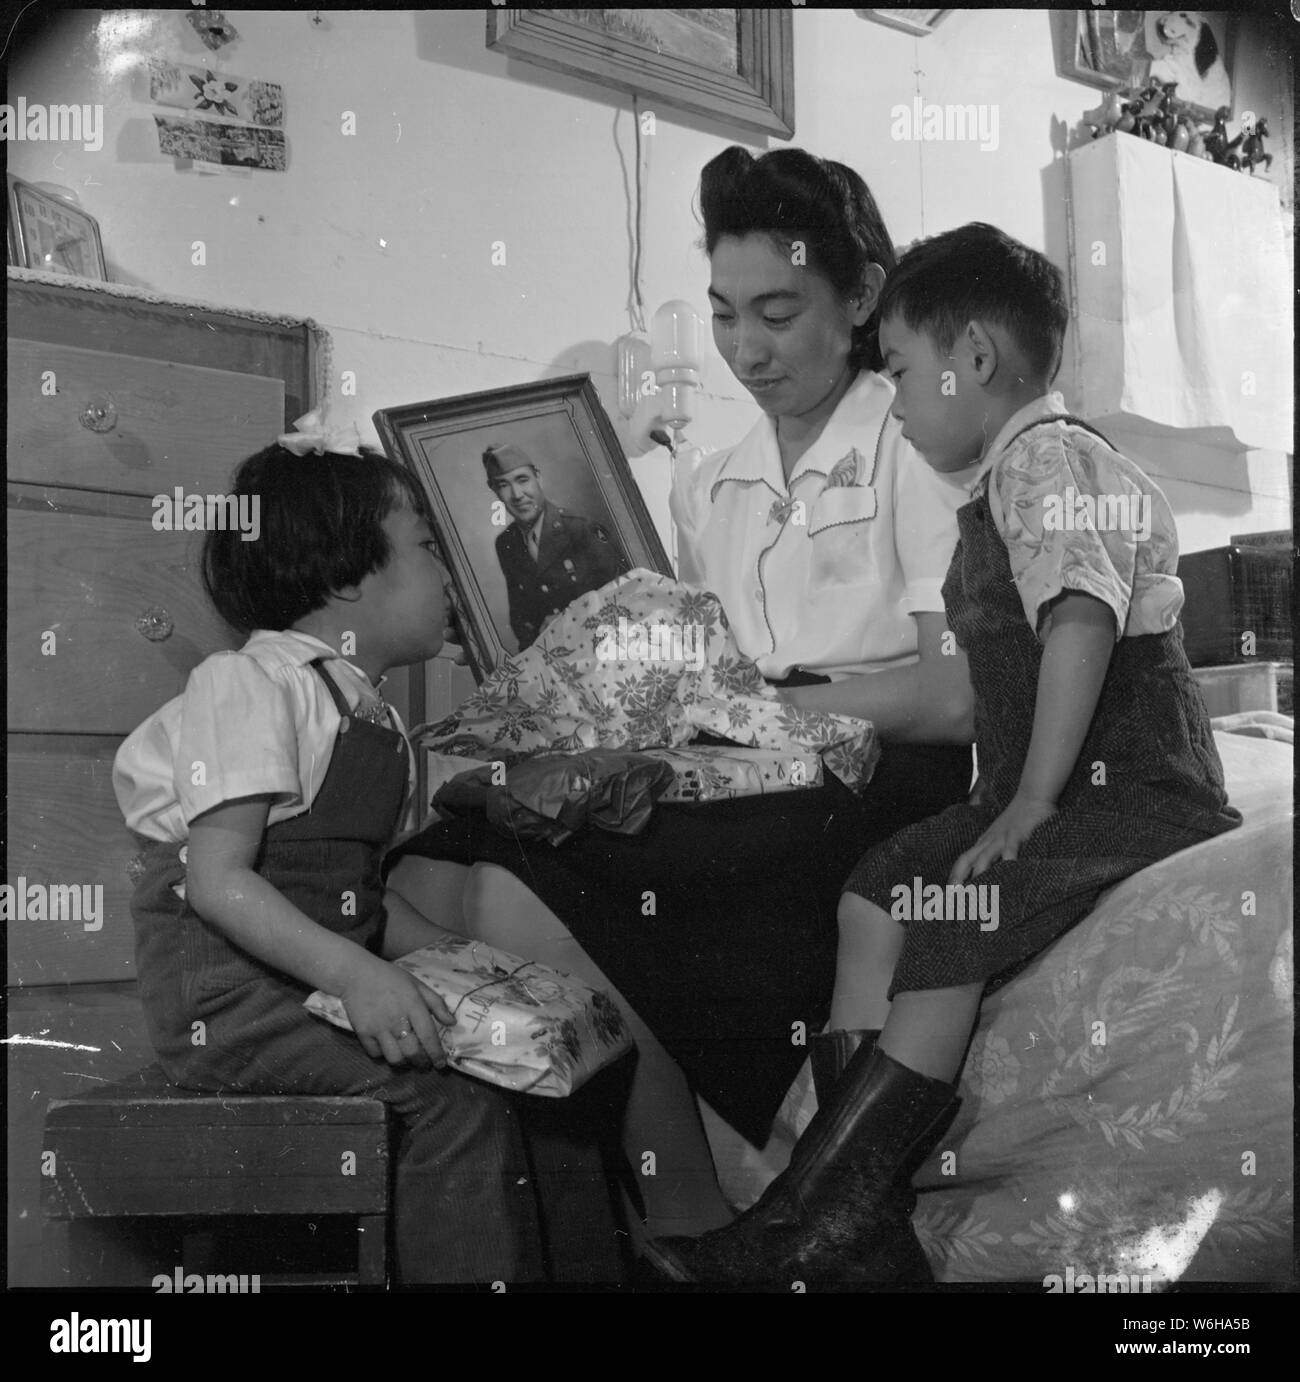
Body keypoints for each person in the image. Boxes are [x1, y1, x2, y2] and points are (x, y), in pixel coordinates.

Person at [388, 147, 979, 1247]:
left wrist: (776, 716)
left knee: (529, 887)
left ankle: (692, 1212)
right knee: (438, 860)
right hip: (742, 765)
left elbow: (953, 697)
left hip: (877, 771)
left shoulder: (916, 445)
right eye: (722, 314)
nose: (745, 350)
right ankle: (625, 1205)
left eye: (777, 312)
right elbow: (698, 667)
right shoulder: (710, 478)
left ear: (858, 300)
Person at [646, 222, 1243, 1284]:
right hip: (1041, 784)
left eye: (907, 373)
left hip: (1129, 786)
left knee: (946, 924)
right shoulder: (1004, 474)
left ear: (972, 359)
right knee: (873, 893)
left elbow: (1079, 621)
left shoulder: (1050, 459)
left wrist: (1029, 803)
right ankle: (849, 1225)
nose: (902, 400)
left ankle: (799, 1228)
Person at [112, 437, 547, 1284]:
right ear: (350, 577)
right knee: (450, 1108)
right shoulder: (251, 686)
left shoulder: (374, 721)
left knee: (524, 1074)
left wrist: (482, 971)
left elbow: (359, 901)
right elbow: (219, 881)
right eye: (425, 546)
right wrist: (357, 978)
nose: (446, 573)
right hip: (229, 996)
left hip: (305, 977)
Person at [483, 442, 629, 649]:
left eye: (522, 480)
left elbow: (627, 598)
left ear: (539, 478)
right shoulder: (506, 543)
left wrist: (567, 622)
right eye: (503, 485)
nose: (516, 495)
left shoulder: (581, 528)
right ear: (494, 490)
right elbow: (521, 617)